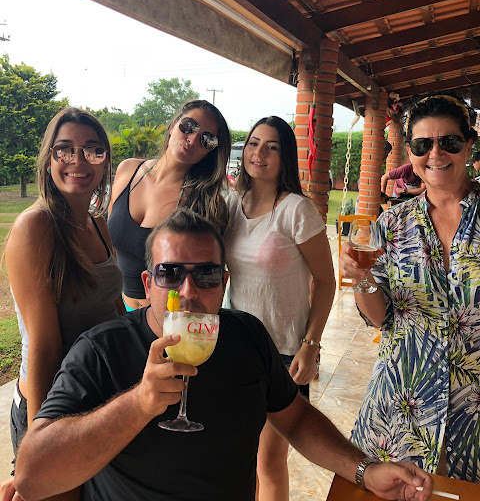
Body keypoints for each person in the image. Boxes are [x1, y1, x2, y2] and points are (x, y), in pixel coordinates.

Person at [14, 209, 434, 501]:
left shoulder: (246, 336)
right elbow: (33, 476)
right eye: (170, 273)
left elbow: (296, 419)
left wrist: (364, 470)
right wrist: (138, 404)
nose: (189, 291)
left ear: (225, 282)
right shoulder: (101, 350)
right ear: (147, 282)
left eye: (207, 274)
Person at [339, 92, 480, 482]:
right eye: (422, 145)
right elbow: (379, 317)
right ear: (411, 153)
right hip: (401, 402)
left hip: (473, 407)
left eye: (449, 141)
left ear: (468, 145)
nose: (436, 154)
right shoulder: (392, 224)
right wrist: (362, 279)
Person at [1, 107, 123, 500]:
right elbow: (44, 344)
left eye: (92, 150)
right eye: (65, 149)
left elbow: (114, 310)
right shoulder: (35, 227)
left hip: (100, 397)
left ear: (105, 160)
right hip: (54, 402)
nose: (78, 161)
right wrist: (41, 442)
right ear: (49, 158)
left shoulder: (98, 224)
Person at [224, 116, 335, 501]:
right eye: (254, 143)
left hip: (285, 355)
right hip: (238, 349)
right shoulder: (232, 204)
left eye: (272, 147)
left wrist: (310, 345)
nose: (260, 153)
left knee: (269, 462)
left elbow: (326, 281)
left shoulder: (296, 210)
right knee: (242, 458)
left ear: (285, 156)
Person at [108, 99, 230, 311]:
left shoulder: (205, 203)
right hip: (120, 309)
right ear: (174, 125)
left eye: (207, 139)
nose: (193, 139)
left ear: (211, 150)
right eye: (189, 126)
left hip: (169, 318)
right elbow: (111, 247)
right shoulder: (128, 171)